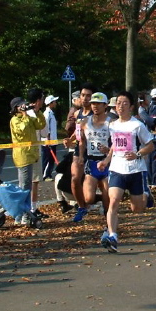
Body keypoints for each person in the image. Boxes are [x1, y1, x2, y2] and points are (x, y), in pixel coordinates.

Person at [98, 91, 155, 252]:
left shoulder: (137, 125)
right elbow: (115, 147)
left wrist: (137, 154)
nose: (120, 106)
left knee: (136, 209)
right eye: (118, 103)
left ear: (131, 107)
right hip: (117, 169)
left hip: (136, 170)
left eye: (124, 103)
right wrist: (106, 160)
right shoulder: (113, 125)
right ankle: (113, 236)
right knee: (113, 201)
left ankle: (146, 194)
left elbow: (150, 145)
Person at [9, 95, 47, 224]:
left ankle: (23, 214)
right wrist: (25, 114)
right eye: (21, 105)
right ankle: (22, 215)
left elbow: (40, 125)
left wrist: (37, 111)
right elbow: (23, 130)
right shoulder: (15, 120)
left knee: (27, 186)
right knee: (24, 187)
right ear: (16, 108)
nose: (24, 106)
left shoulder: (27, 117)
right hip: (22, 156)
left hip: (31, 155)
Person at [65, 82, 97, 222]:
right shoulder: (78, 113)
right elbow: (78, 132)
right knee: (74, 179)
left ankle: (106, 205)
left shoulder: (97, 114)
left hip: (94, 151)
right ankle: (81, 207)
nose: (85, 98)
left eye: (88, 96)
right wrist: (70, 140)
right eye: (83, 95)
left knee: (98, 184)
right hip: (79, 150)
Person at [79, 92, 112, 222]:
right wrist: (81, 155)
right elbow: (81, 140)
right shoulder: (84, 122)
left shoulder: (112, 123)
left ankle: (109, 224)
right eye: (93, 103)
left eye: (98, 104)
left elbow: (117, 144)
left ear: (105, 105)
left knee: (107, 200)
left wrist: (108, 150)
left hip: (106, 162)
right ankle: (97, 203)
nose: (95, 106)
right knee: (88, 198)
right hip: (91, 161)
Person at [41, 94, 59, 180]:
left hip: (53, 140)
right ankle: (45, 175)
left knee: (51, 159)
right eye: (54, 101)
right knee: (48, 159)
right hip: (49, 141)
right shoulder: (47, 113)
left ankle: (49, 174)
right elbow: (45, 126)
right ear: (50, 103)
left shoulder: (51, 113)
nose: (56, 103)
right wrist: (48, 139)